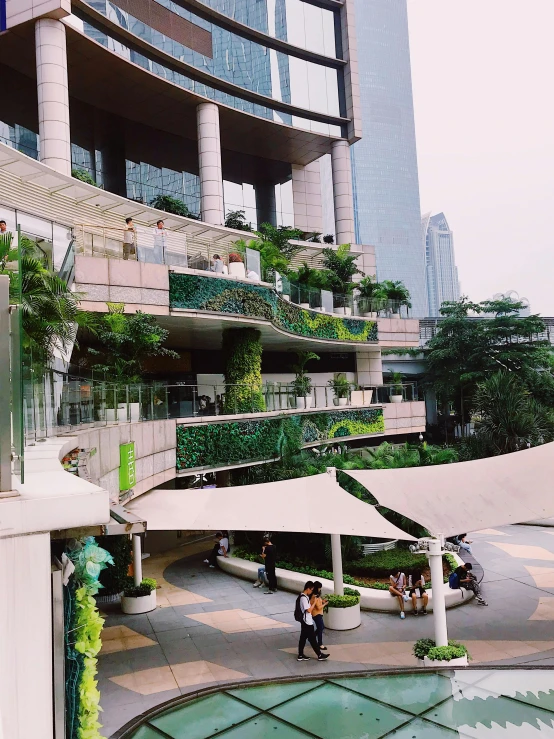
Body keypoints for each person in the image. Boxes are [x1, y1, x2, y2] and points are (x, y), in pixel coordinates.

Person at [297, 581, 330, 662]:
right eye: (311, 590)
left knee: (303, 639)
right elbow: (308, 610)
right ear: (308, 589)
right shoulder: (304, 598)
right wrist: (314, 602)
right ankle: (319, 655)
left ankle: (300, 655)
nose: (312, 591)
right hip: (307, 622)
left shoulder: (303, 596)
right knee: (312, 639)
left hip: (306, 621)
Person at [311, 581, 328, 650]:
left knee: (321, 627)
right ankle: (320, 644)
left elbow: (319, 602)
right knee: (320, 628)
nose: (320, 589)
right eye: (319, 588)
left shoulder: (316, 595)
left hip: (318, 614)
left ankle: (312, 637)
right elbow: (318, 607)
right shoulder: (314, 596)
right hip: (316, 614)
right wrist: (325, 604)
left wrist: (322, 601)